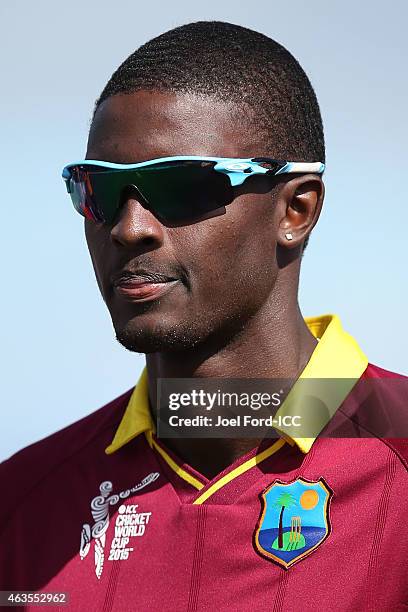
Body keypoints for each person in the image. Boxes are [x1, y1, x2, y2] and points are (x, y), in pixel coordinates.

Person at [1, 20, 407, 612]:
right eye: (98, 190)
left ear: (295, 209)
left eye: (181, 186)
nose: (128, 227)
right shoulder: (22, 503)